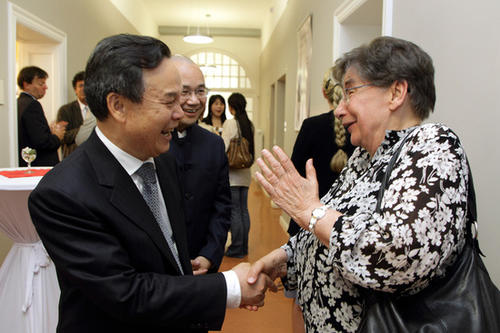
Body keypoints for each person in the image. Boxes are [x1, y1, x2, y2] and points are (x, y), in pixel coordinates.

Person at [28, 34, 275, 333]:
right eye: (170, 100)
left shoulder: (162, 159)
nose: (180, 112)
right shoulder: (62, 194)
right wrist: (229, 288)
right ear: (118, 106)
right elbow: (127, 294)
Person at [248, 36, 470, 332]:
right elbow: (331, 227)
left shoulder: (433, 147)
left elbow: (394, 255)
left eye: (350, 91)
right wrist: (285, 257)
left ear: (396, 92)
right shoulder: (365, 157)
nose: (339, 110)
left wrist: (308, 210)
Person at [167, 56, 231, 274]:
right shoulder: (149, 143)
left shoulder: (213, 144)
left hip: (203, 269)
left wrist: (210, 255)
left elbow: (222, 207)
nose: (194, 101)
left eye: (200, 91)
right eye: (185, 92)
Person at [287, 68, 355, 237]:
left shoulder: (311, 126)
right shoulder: (359, 129)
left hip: (311, 218)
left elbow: (296, 173)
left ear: (325, 93)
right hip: (346, 224)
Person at [222, 93, 255, 258]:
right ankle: (244, 247)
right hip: (245, 174)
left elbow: (223, 146)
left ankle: (236, 248)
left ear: (232, 106)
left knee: (235, 211)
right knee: (243, 210)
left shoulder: (230, 123)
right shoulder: (249, 124)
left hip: (232, 174)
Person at [17, 66, 66, 166]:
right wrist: (57, 136)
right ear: (26, 85)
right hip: (40, 165)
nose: (46, 87)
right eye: (41, 83)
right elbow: (42, 142)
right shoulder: (32, 105)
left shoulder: (19, 103)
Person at [56, 71, 94, 158]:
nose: (84, 89)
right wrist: (86, 129)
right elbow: (63, 136)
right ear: (75, 89)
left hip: (94, 156)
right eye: (81, 86)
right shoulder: (65, 110)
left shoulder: (98, 109)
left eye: (87, 85)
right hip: (73, 156)